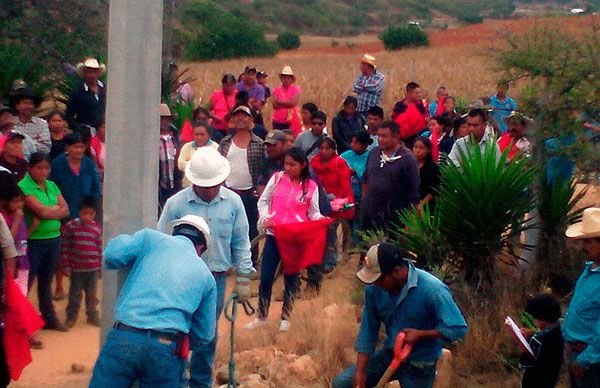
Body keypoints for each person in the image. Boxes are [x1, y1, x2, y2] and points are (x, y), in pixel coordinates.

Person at [157, 147, 254, 388]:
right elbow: (161, 240)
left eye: (215, 185)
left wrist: (243, 279)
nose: (211, 190)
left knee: (206, 334)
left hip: (215, 278)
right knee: (177, 330)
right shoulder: (176, 204)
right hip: (181, 278)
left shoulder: (233, 203)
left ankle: (200, 382)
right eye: (205, 185)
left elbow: (241, 242)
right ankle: (176, 380)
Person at [89, 216, 217, 388]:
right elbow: (205, 333)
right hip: (165, 346)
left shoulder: (150, 239)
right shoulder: (206, 276)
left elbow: (112, 254)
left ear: (174, 232)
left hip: (125, 336)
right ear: (201, 247)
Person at [333, 243, 467, 388]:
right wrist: (360, 371)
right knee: (342, 383)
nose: (375, 284)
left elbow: (457, 327)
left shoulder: (432, 289)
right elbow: (368, 331)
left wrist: (421, 334)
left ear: (396, 272)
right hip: (390, 354)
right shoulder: (374, 289)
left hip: (420, 362)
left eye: (378, 279)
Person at [245, 147, 324, 332]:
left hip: (295, 238)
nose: (287, 168)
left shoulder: (311, 186)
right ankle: (261, 316)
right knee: (265, 277)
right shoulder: (277, 178)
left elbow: (313, 212)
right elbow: (263, 201)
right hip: (275, 235)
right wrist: (265, 218)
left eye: (292, 164)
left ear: (303, 165)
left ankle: (285, 318)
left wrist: (320, 221)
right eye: (286, 164)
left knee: (291, 278)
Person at [18, 152, 70, 331]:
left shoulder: (51, 184)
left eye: (46, 168)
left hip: (53, 238)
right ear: (30, 168)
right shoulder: (24, 186)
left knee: (46, 282)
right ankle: (23, 323)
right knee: (28, 282)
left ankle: (48, 318)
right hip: (33, 240)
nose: (43, 171)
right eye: (39, 167)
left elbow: (66, 210)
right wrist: (54, 209)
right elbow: (42, 211)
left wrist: (50, 211)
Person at [219, 105, 265, 266]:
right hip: (228, 192)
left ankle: (251, 261)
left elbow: (262, 169)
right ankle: (228, 260)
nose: (241, 119)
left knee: (251, 228)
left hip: (249, 194)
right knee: (227, 228)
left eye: (244, 116)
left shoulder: (259, 143)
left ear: (251, 120)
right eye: (237, 116)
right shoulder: (225, 142)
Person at [563, 207, 600, 387]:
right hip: (577, 353)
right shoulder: (589, 270)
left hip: (593, 361)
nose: (583, 247)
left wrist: (584, 361)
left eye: (588, 241)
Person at [361, 121, 420, 230]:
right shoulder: (374, 153)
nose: (380, 139)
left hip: (394, 218)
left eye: (384, 136)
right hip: (370, 214)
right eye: (378, 135)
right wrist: (365, 202)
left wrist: (409, 221)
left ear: (396, 136)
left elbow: (413, 194)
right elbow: (365, 178)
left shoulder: (407, 159)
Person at [61, 197, 102, 328]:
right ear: (79, 212)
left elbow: (100, 247)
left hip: (93, 269)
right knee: (74, 295)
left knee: (92, 295)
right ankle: (71, 317)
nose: (87, 216)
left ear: (94, 214)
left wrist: (100, 266)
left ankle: (92, 315)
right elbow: (65, 246)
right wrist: (66, 265)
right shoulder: (71, 226)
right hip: (77, 269)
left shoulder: (97, 229)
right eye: (85, 213)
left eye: (91, 214)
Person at [50, 132, 101, 219]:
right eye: (75, 147)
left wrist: (89, 208)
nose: (79, 150)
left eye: (81, 147)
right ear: (67, 148)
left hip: (85, 215)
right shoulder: (57, 163)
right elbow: (52, 188)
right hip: (64, 213)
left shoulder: (89, 164)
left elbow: (95, 188)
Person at [518, 293, 564, 388]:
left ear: (541, 319)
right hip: (550, 380)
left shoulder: (539, 339)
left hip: (534, 381)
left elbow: (526, 362)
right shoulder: (558, 334)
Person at [65, 58, 106, 131]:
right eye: (89, 72)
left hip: (104, 132)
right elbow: (69, 115)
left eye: (95, 72)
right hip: (85, 133)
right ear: (84, 73)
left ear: (98, 73)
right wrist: (79, 130)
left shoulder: (105, 89)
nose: (92, 75)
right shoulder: (77, 91)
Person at [178, 121, 219, 188]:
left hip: (208, 186)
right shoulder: (187, 147)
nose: (199, 137)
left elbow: (215, 167)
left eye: (202, 134)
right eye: (196, 134)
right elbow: (180, 165)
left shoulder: (215, 148)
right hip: (188, 186)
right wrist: (203, 165)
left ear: (209, 135)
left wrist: (190, 163)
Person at [11, 88, 51, 154]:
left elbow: (46, 148)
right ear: (17, 106)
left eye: (31, 103)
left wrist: (21, 142)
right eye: (25, 103)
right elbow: (6, 146)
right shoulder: (11, 123)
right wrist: (34, 141)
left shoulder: (42, 124)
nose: (28, 106)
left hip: (35, 161)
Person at [158, 103, 182, 210]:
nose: (164, 122)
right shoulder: (152, 138)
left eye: (166, 119)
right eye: (161, 119)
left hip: (174, 181)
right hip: (159, 183)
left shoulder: (175, 137)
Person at [391, 82, 428, 148]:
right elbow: (393, 120)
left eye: (420, 93)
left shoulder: (421, 106)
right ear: (409, 93)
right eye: (416, 93)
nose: (419, 95)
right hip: (401, 139)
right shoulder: (399, 106)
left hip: (417, 138)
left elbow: (426, 119)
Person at [341, 131, 372, 208]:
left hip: (360, 195)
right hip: (346, 194)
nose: (352, 145)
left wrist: (355, 173)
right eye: (352, 142)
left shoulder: (370, 157)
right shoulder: (347, 154)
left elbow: (368, 177)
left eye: (356, 143)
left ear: (364, 145)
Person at [256, 130, 288, 197]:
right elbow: (261, 185)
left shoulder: (295, 161)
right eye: (268, 145)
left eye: (274, 145)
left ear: (284, 144)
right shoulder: (266, 163)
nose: (270, 148)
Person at [413, 137, 440, 212]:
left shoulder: (433, 168)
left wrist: (421, 205)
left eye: (421, 148)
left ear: (428, 150)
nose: (418, 151)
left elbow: (434, 189)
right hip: (410, 205)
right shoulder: (408, 165)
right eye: (415, 147)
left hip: (427, 207)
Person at [271, 66, 301, 134]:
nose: (285, 80)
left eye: (287, 78)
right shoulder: (276, 90)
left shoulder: (295, 89)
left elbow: (293, 103)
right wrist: (287, 103)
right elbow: (274, 105)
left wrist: (280, 102)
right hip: (277, 120)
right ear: (281, 78)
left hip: (291, 120)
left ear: (291, 79)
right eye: (284, 78)